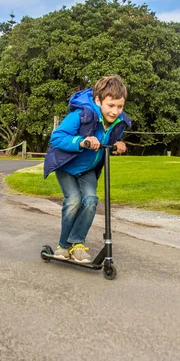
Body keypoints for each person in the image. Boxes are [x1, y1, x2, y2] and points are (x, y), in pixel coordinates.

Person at [43, 75, 131, 263]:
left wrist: (118, 144)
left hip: (88, 169)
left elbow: (110, 140)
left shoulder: (120, 122)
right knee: (74, 200)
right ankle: (63, 246)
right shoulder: (80, 115)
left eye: (120, 106)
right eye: (111, 106)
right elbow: (56, 138)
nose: (115, 111)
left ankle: (77, 243)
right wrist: (81, 141)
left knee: (90, 200)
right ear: (98, 100)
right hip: (66, 165)